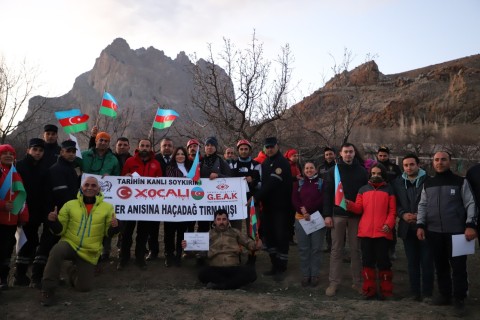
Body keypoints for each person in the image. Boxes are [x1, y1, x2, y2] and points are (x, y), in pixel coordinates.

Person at [40, 176, 119, 306]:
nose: (89, 188)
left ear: (99, 189)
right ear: (81, 188)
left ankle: (72, 271)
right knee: (56, 250)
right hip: (70, 243)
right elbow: (60, 231)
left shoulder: (108, 208)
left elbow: (108, 233)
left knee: (84, 288)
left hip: (89, 250)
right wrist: (53, 222)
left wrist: (115, 227)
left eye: (93, 185)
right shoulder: (70, 205)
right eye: (86, 185)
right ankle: (47, 289)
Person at [417, 151, 477, 316]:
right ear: (432, 162)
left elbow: (471, 204)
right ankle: (445, 295)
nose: (439, 162)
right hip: (434, 232)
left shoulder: (460, 181)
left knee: (459, 268)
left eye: (443, 159)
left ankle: (459, 299)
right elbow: (422, 205)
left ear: (450, 162)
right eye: (436, 160)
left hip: (458, 232)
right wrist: (420, 225)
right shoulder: (428, 183)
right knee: (441, 265)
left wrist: (471, 225)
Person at [30, 140, 81, 289]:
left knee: (57, 247)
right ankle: (36, 277)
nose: (71, 154)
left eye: (73, 151)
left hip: (65, 213)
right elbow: (62, 193)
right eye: (68, 151)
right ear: (62, 152)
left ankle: (52, 275)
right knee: (46, 245)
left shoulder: (70, 169)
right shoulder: (57, 169)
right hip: (56, 214)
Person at [346, 163, 396, 300]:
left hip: (382, 232)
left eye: (379, 173)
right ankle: (369, 290)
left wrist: (389, 224)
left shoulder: (389, 190)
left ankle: (386, 290)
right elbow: (358, 208)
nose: (376, 176)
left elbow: (392, 212)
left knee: (383, 262)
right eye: (373, 173)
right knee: (367, 262)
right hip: (366, 232)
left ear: (383, 175)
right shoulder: (363, 189)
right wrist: (348, 204)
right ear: (370, 174)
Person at [324, 142, 368, 297]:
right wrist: (327, 215)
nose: (348, 154)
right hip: (337, 215)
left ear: (354, 153)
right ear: (340, 154)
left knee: (356, 250)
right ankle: (334, 282)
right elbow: (327, 194)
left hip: (356, 217)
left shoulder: (363, 172)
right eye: (346, 152)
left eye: (351, 152)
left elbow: (366, 195)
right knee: (336, 250)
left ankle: (357, 282)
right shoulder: (332, 171)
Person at [181, 209, 262, 290]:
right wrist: (187, 246)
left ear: (228, 220)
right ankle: (232, 284)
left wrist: (256, 244)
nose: (221, 222)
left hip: (233, 268)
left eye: (224, 219)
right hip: (216, 269)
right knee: (202, 274)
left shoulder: (235, 232)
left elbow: (248, 243)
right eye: (218, 219)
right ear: (215, 221)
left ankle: (220, 285)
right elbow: (195, 251)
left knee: (251, 273)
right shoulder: (208, 234)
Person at [393, 154, 433, 302]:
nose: (409, 168)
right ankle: (414, 293)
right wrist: (402, 215)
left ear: (418, 165)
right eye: (406, 165)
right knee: (412, 262)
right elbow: (395, 203)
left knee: (427, 261)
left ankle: (428, 293)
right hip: (407, 227)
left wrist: (420, 215)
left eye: (411, 164)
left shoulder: (429, 181)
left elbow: (434, 202)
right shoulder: (398, 182)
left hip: (426, 227)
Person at [252, 137, 292, 281]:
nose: (269, 149)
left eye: (272, 146)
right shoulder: (265, 163)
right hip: (267, 207)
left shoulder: (281, 162)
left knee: (281, 236)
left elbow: (272, 184)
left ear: (277, 146)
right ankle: (274, 265)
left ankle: (281, 268)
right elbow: (261, 184)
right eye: (267, 147)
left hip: (281, 208)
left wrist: (255, 197)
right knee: (269, 236)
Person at [118, 139, 162, 270]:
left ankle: (139, 258)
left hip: (147, 204)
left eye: (147, 146)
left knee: (143, 234)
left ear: (150, 148)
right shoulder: (130, 161)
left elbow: (161, 183)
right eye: (142, 145)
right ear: (138, 147)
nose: (144, 148)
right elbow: (121, 179)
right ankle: (123, 258)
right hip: (130, 203)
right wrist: (126, 176)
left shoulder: (156, 163)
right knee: (126, 233)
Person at [14, 139, 49, 286]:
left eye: (40, 150)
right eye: (35, 150)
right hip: (22, 209)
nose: (38, 153)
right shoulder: (19, 166)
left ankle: (24, 272)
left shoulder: (44, 167)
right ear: (29, 150)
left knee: (33, 240)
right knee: (23, 242)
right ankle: (19, 275)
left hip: (37, 211)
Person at [82, 131, 120, 261]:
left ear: (109, 143)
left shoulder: (113, 159)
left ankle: (105, 252)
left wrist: (112, 178)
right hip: (85, 196)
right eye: (101, 140)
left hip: (105, 198)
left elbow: (117, 179)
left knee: (105, 222)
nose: (103, 143)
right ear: (96, 141)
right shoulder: (84, 155)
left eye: (106, 141)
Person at [292, 161, 330, 287]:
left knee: (316, 248)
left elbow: (323, 199)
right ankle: (305, 274)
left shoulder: (321, 183)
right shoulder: (298, 184)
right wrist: (303, 210)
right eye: (306, 168)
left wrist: (309, 211)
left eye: (311, 168)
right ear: (303, 170)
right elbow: (295, 199)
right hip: (301, 219)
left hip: (317, 220)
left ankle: (314, 274)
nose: (309, 170)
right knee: (303, 248)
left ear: (316, 170)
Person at [0, 144, 29, 289]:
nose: (8, 156)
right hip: (1, 217)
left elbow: (21, 197)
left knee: (7, 250)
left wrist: (23, 217)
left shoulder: (15, 174)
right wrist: (2, 205)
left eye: (11, 153)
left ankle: (3, 279)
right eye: (4, 153)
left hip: (11, 221)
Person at [230, 139, 262, 265]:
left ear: (250, 150)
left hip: (251, 202)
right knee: (235, 230)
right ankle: (236, 254)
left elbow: (260, 184)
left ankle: (252, 255)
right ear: (238, 151)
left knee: (252, 230)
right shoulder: (232, 164)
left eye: (246, 149)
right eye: (241, 149)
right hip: (236, 202)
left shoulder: (257, 165)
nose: (243, 151)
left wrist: (252, 181)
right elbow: (227, 182)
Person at [145, 138, 175, 261]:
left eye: (169, 145)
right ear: (160, 147)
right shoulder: (154, 159)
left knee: (170, 229)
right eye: (164, 145)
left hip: (172, 200)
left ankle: (169, 253)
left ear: (173, 148)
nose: (167, 147)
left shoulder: (176, 159)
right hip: (155, 199)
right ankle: (153, 251)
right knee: (152, 228)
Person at [164, 146, 192, 267]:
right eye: (178, 154)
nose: (180, 156)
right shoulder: (170, 168)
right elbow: (172, 183)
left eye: (182, 154)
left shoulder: (190, 168)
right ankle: (169, 256)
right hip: (171, 205)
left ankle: (178, 255)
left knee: (182, 233)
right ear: (174, 156)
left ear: (186, 156)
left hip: (185, 206)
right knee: (169, 233)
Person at [376, 146, 401, 261]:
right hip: (376, 199)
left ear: (388, 156)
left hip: (391, 198)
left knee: (391, 225)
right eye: (380, 155)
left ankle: (392, 249)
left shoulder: (394, 168)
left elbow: (400, 183)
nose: (382, 157)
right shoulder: (373, 167)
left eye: (384, 155)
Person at [318, 147, 336, 253]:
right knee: (325, 221)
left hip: (334, 197)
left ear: (334, 155)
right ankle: (327, 244)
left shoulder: (337, 166)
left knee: (334, 223)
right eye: (327, 154)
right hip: (322, 197)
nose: (329, 156)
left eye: (330, 154)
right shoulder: (320, 167)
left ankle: (335, 245)